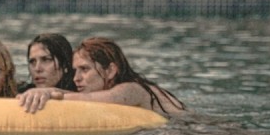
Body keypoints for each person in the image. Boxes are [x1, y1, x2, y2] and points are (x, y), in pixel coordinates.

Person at [17, 36, 186, 115]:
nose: (76, 78)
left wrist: (48, 93)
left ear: (111, 71)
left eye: (85, 69)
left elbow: (90, 99)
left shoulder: (133, 90)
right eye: (76, 71)